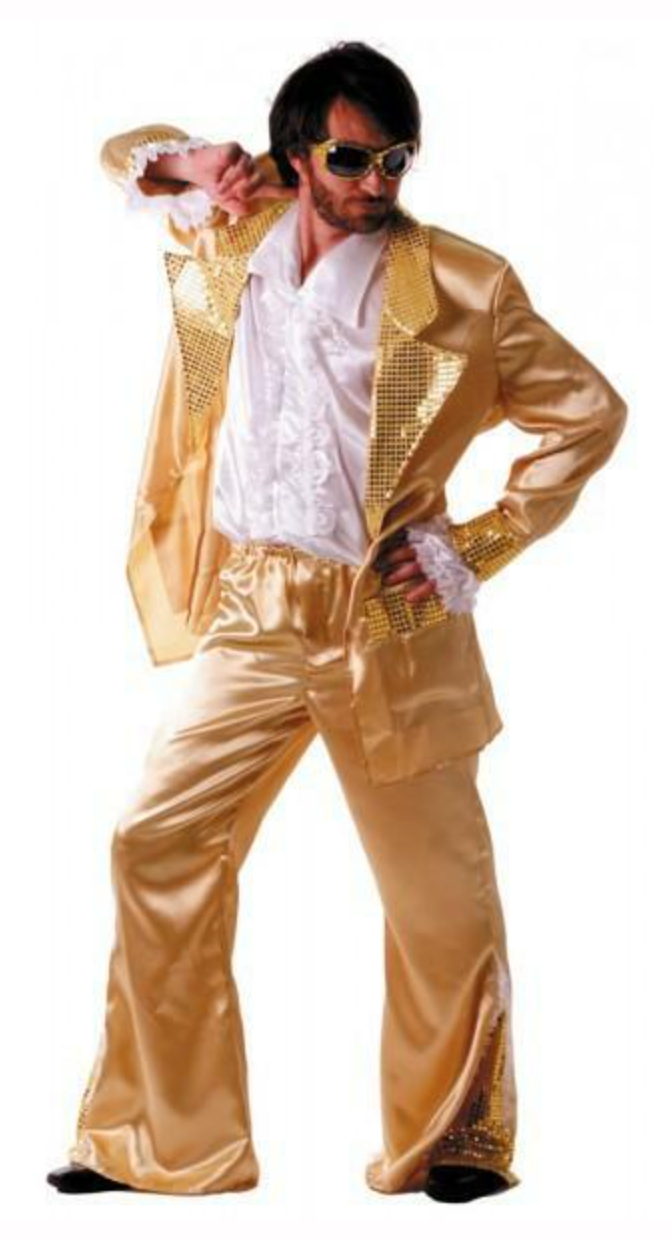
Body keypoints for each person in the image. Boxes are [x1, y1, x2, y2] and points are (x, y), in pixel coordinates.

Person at [47, 40, 628, 1202]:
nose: (379, 181)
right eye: (352, 157)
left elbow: (588, 413)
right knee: (155, 841)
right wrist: (191, 163)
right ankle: (161, 1139)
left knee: (438, 895)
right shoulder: (230, 235)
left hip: (388, 621)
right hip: (254, 608)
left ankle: (457, 1137)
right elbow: (124, 156)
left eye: (396, 158)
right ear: (294, 156)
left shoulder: (462, 283)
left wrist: (474, 545)